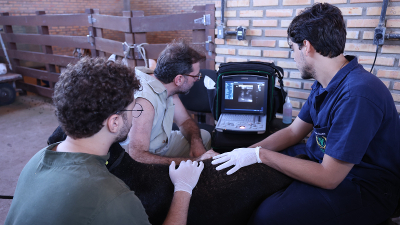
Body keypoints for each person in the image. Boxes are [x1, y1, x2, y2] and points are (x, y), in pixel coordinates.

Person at [212, 3, 400, 225]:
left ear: (306, 46)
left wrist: (261, 155)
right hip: (323, 160)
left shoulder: (357, 94)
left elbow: (329, 177)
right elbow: (293, 131)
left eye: (292, 48)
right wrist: (244, 153)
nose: (293, 56)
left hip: (364, 184)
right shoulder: (325, 82)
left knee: (267, 217)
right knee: (251, 182)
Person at [5, 57, 204, 225]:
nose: (135, 116)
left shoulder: (37, 159)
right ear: (114, 123)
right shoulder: (113, 197)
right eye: (133, 110)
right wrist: (183, 188)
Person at [123, 39, 218, 164]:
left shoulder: (166, 87)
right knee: (201, 160)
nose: (197, 80)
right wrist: (194, 161)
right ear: (178, 79)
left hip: (161, 144)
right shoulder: (145, 103)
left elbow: (184, 121)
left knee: (203, 136)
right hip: (145, 157)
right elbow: (137, 156)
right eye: (195, 76)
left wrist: (196, 142)